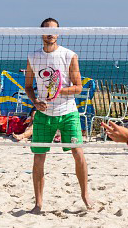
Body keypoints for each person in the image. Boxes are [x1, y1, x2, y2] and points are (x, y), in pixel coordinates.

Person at [24, 17, 92, 212]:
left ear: (59, 33)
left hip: (68, 112)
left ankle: (85, 195)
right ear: (40, 33)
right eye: (46, 30)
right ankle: (38, 204)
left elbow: (78, 88)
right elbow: (29, 87)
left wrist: (59, 91)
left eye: (54, 31)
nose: (50, 34)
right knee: (38, 158)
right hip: (44, 115)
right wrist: (35, 102)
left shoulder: (69, 55)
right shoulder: (33, 57)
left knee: (78, 153)